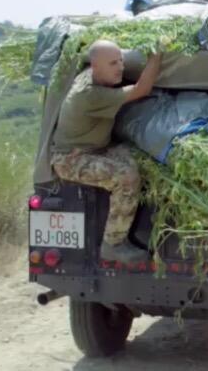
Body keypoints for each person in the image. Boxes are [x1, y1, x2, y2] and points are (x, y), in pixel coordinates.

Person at [50, 39, 163, 263]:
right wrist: (157, 56)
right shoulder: (89, 94)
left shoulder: (92, 77)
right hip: (71, 159)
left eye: (121, 60)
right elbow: (142, 89)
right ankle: (113, 244)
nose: (120, 67)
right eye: (113, 63)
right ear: (95, 66)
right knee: (126, 178)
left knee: (139, 159)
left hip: (97, 149)